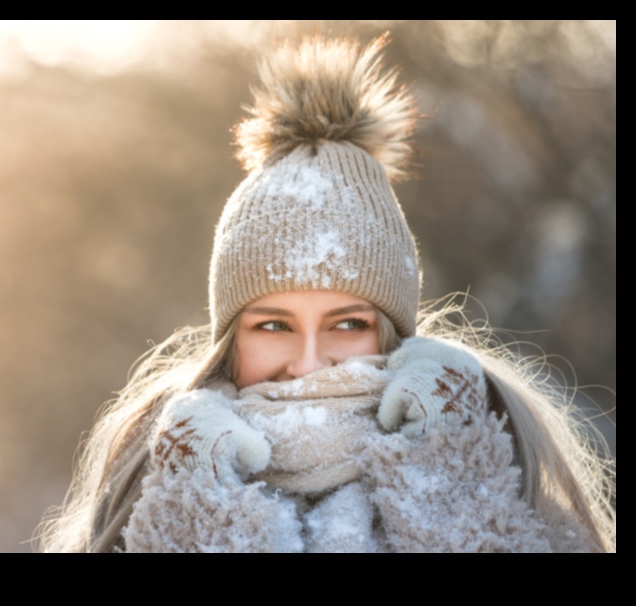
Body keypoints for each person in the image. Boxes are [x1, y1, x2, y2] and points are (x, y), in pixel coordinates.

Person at [39, 36, 615, 553]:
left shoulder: (505, 481)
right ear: (229, 340)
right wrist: (197, 517)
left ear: (392, 335)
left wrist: (450, 483)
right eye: (272, 325)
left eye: (347, 325)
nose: (308, 364)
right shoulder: (150, 495)